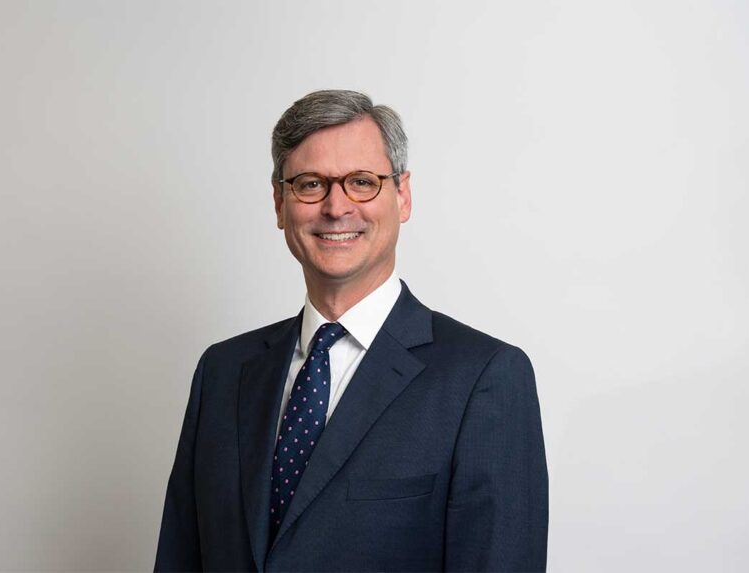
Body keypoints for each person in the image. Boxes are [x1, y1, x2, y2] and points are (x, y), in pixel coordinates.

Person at [154, 90, 548, 572]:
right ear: (279, 203)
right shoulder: (222, 372)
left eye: (362, 182)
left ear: (402, 196)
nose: (337, 207)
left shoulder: (482, 378)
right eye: (310, 184)